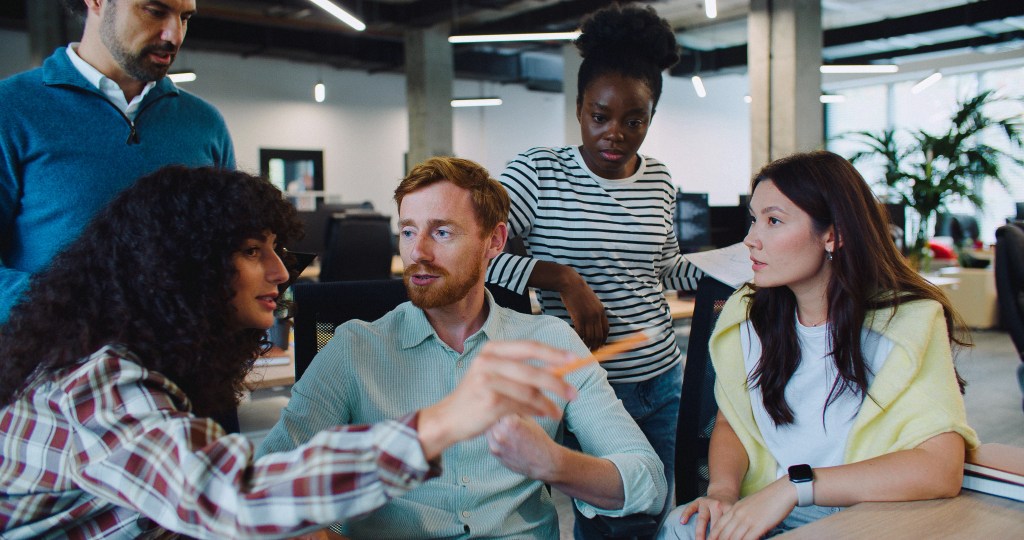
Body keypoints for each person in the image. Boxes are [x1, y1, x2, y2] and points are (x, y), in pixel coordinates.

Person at [0, 166, 583, 539]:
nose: (281, 272)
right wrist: (444, 422)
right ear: (184, 268)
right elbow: (229, 497)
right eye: (255, 250)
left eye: (277, 249)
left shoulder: (147, 373)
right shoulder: (96, 383)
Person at [257, 157, 667, 539]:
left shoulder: (549, 340)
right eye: (408, 231)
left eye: (442, 231)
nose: (418, 252)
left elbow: (647, 480)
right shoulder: (353, 349)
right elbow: (268, 484)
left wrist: (554, 464)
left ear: (494, 240)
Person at [657, 150, 979, 540]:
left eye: (774, 221)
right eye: (754, 220)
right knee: (682, 525)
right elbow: (731, 423)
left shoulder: (906, 324)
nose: (750, 240)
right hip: (767, 504)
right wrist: (722, 493)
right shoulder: (747, 314)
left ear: (833, 234)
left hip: (863, 515)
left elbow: (940, 469)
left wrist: (797, 487)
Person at [484, 4, 702, 534]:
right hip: (592, 389)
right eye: (599, 117)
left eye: (634, 121)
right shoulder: (538, 172)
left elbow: (666, 267)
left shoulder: (660, 179)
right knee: (612, 522)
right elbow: (482, 254)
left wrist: (742, 268)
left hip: (663, 376)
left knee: (663, 515)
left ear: (651, 118)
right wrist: (564, 278)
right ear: (579, 108)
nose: (615, 135)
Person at [0, 0, 234, 322]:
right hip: (56, 362)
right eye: (155, 11)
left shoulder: (205, 124)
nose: (174, 35)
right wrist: (83, 301)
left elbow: (228, 249)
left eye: (185, 17)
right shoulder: (11, 110)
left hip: (186, 363)